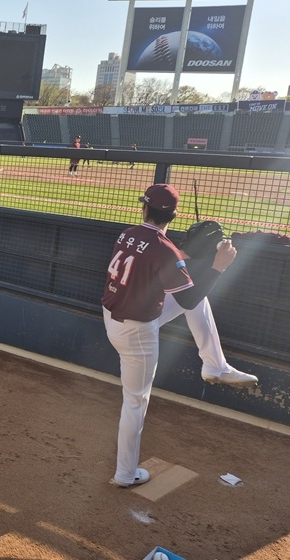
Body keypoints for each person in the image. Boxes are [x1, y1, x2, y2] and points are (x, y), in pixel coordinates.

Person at [101, 184, 257, 488]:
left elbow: (153, 263)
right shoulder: (167, 251)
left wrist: (183, 254)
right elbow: (186, 298)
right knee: (135, 402)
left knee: (200, 297)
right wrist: (218, 267)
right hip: (137, 333)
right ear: (174, 214)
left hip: (113, 316)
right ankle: (124, 473)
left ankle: (215, 364)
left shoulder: (127, 234)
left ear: (144, 209)